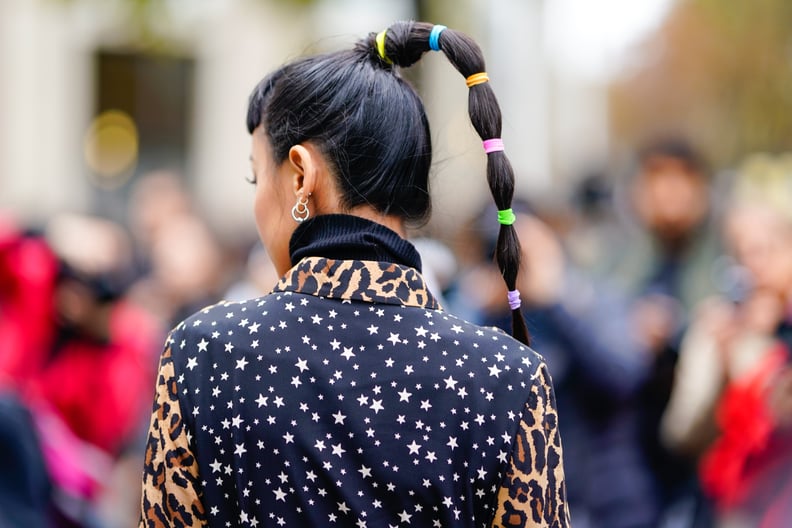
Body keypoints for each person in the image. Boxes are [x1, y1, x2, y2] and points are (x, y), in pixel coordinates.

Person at [139, 21, 569, 527]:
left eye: (259, 176)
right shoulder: (509, 377)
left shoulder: (203, 354)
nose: (258, 200)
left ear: (301, 175)